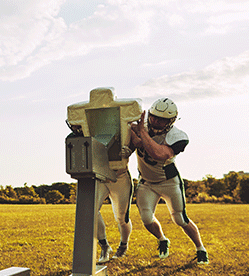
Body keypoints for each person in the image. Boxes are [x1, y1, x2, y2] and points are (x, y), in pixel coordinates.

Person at [126, 98, 209, 264]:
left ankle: (200, 248)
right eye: (154, 116)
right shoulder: (142, 127)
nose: (156, 121)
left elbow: (159, 154)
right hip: (147, 182)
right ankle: (162, 239)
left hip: (169, 181)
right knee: (147, 218)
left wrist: (141, 133)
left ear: (170, 121)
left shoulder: (177, 137)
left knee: (180, 219)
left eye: (161, 119)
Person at [66, 122, 133, 263]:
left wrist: (130, 149)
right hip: (99, 177)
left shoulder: (109, 126)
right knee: (90, 211)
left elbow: (132, 140)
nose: (75, 128)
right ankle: (104, 246)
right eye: (73, 125)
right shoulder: (74, 137)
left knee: (121, 217)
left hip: (119, 177)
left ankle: (123, 245)